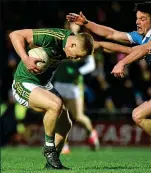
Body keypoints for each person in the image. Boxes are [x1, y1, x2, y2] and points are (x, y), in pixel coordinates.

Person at [66, 1, 151, 168]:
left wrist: (122, 64)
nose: (138, 22)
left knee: (138, 114)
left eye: (143, 19)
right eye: (137, 18)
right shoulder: (142, 36)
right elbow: (112, 34)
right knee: (147, 119)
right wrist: (86, 23)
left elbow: (144, 49)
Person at [9, 28, 133, 169]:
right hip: (23, 82)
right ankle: (49, 149)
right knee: (56, 104)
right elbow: (15, 35)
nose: (77, 59)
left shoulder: (77, 43)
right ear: (72, 45)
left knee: (66, 124)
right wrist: (25, 59)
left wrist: (130, 51)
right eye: (78, 55)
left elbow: (103, 45)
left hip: (43, 84)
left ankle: (52, 164)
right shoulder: (52, 38)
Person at [53, 22, 99, 153]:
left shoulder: (83, 42)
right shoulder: (60, 40)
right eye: (68, 24)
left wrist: (79, 72)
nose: (70, 26)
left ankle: (91, 133)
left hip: (73, 86)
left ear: (78, 27)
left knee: (78, 116)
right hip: (59, 84)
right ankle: (63, 144)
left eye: (73, 24)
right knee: (58, 115)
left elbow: (91, 65)